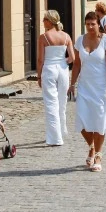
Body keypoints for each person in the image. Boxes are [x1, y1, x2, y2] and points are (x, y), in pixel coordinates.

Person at [70, 11, 106, 172]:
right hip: (85, 86)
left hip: (101, 87)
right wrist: (72, 84)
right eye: (87, 24)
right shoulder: (80, 40)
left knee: (99, 122)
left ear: (98, 25)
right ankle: (91, 145)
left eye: (93, 24)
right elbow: (76, 64)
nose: (90, 27)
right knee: (82, 121)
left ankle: (98, 154)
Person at [36, 10, 75, 146]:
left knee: (51, 102)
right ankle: (62, 130)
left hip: (49, 69)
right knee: (62, 101)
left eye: (44, 19)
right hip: (63, 70)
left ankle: (55, 138)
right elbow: (72, 58)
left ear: (49, 21)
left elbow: (41, 59)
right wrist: (62, 61)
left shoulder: (44, 37)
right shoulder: (66, 36)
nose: (42, 21)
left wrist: (39, 75)